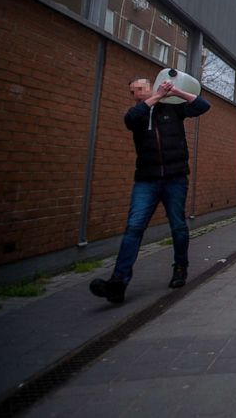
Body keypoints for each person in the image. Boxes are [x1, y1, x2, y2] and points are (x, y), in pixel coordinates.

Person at [90, 78, 210, 304]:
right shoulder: (138, 113)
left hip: (175, 178)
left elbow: (203, 105)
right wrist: (155, 98)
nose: (136, 93)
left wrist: (176, 91)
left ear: (151, 87)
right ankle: (118, 282)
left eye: (140, 88)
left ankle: (180, 268)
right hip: (147, 180)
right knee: (134, 227)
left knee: (178, 225)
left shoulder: (173, 109)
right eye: (133, 91)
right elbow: (129, 120)